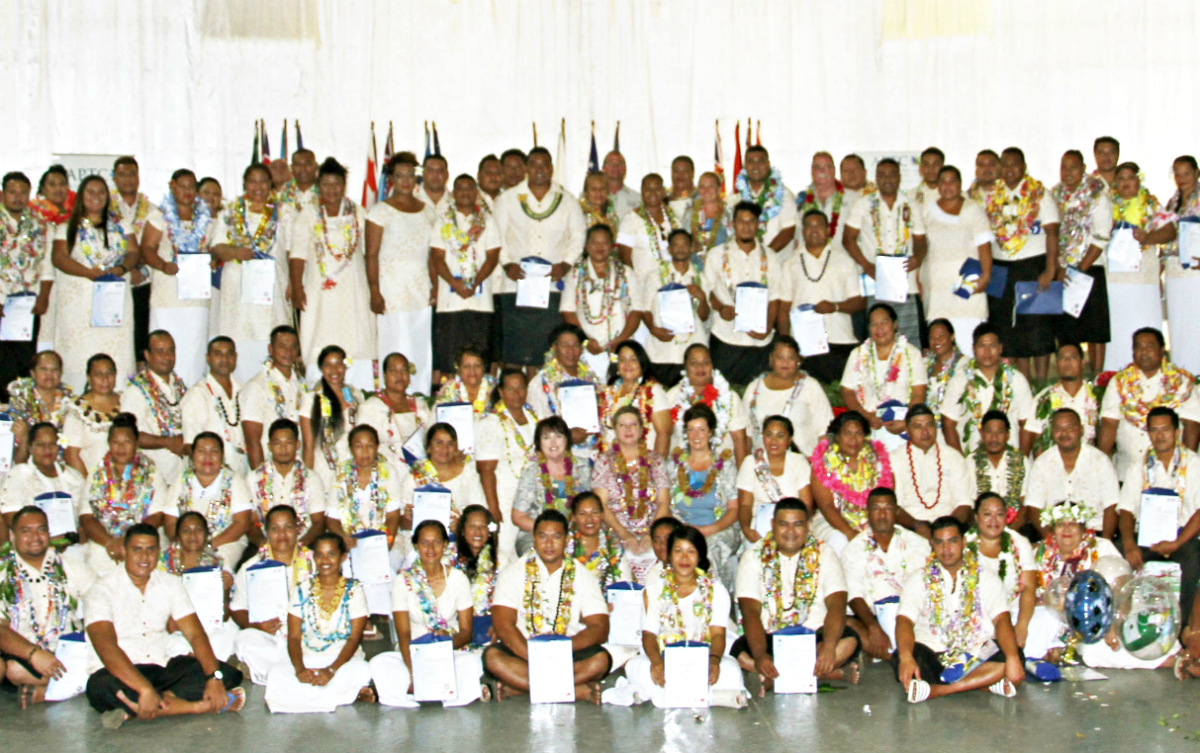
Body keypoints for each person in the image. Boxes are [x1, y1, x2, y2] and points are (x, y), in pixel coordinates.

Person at [84, 523, 244, 729]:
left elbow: (195, 634)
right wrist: (144, 690)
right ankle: (194, 707)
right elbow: (107, 648)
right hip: (119, 673)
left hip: (160, 668)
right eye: (137, 549)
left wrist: (214, 678)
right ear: (124, 551)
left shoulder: (170, 583)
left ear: (158, 552)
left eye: (150, 550)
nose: (144, 557)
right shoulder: (101, 590)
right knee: (100, 688)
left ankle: (138, 709)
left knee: (227, 674)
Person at [484, 509, 611, 704]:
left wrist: (562, 650)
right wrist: (532, 655)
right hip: (523, 651)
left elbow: (600, 627)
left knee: (601, 661)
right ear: (533, 538)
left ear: (567, 540)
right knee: (492, 657)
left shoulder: (582, 574)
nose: (549, 544)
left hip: (568, 651)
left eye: (556, 537)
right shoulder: (513, 572)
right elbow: (503, 624)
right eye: (542, 536)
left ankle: (520, 688)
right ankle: (574, 691)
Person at [733, 499, 860, 694]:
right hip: (772, 636)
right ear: (773, 524)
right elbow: (750, 612)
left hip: (814, 637)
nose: (790, 532)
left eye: (798, 524)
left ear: (808, 525)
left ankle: (778, 679)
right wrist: (760, 655)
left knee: (849, 641)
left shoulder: (824, 553)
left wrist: (828, 647)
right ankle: (825, 674)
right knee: (740, 652)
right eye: (783, 524)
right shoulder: (753, 556)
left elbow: (837, 605)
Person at [892, 516, 1023, 703]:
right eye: (940, 542)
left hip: (976, 653)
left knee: (1015, 655)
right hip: (933, 653)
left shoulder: (986, 577)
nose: (946, 549)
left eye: (952, 541)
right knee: (902, 657)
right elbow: (904, 620)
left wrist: (1011, 657)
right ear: (932, 545)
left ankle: (938, 690)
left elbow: (1002, 620)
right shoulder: (918, 578)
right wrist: (906, 658)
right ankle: (986, 683)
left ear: (963, 542)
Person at [618, 526, 748, 708]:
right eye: (678, 551)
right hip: (665, 658)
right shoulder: (656, 589)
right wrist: (657, 663)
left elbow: (718, 634)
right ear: (669, 556)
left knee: (730, 670)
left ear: (700, 556)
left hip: (703, 658)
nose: (684, 558)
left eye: (691, 552)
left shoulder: (716, 590)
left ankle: (666, 696)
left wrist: (715, 661)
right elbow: (649, 634)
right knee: (636, 666)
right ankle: (712, 698)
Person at [369, 520, 482, 707]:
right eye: (424, 542)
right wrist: (412, 671)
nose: (430, 548)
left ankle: (425, 692)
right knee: (379, 664)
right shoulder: (402, 581)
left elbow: (466, 632)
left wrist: (447, 642)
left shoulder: (458, 578)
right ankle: (434, 691)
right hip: (412, 655)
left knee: (470, 664)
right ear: (416, 546)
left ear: (445, 545)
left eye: (436, 542)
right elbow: (403, 633)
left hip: (449, 653)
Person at [493, 147, 587, 370]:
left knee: (543, 356)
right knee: (514, 357)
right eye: (534, 164)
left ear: (552, 168)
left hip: (552, 288)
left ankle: (540, 403)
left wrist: (565, 264)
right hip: (514, 286)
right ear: (526, 168)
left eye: (544, 164)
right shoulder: (507, 200)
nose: (539, 169)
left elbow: (579, 236)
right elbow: (495, 237)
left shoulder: (567, 201)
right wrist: (506, 263)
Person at [289, 158, 376, 391]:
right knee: (318, 334)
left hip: (353, 291)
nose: (331, 189)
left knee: (356, 340)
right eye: (326, 184)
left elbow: (370, 252)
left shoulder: (358, 212)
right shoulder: (308, 215)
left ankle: (360, 395)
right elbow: (297, 255)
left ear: (344, 186)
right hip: (319, 294)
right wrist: (297, 287)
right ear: (319, 186)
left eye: (336, 184)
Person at [263, 532, 374, 713]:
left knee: (361, 669)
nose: (325, 560)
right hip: (308, 658)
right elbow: (293, 636)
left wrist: (331, 671)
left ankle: (307, 699)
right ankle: (344, 695)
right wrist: (300, 669)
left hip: (342, 661)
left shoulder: (354, 590)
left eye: (331, 554)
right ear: (313, 557)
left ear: (343, 557)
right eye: (320, 555)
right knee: (276, 675)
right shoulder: (301, 590)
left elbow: (354, 639)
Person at [0, 505, 96, 705]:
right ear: (12, 536)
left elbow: (102, 605)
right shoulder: (3, 573)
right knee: (12, 670)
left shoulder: (71, 566)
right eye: (26, 531)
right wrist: (34, 654)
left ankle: (46, 691)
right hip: (23, 655)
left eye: (41, 529)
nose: (35, 536)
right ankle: (68, 686)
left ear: (49, 533)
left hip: (66, 652)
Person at [979, 147, 1061, 381]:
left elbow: (1053, 233)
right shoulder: (991, 197)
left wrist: (1050, 269)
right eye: (1005, 164)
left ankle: (1042, 382)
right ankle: (1021, 383)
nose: (1010, 169)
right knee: (1006, 328)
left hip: (1034, 266)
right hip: (999, 267)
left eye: (1015, 164)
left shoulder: (1039, 193)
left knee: (1038, 327)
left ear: (1023, 166)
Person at [51, 174, 138, 392]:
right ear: (81, 196)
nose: (96, 196)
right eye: (90, 191)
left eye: (101, 191)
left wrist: (120, 269)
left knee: (116, 352)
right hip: (79, 308)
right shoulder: (67, 227)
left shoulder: (121, 226)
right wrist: (88, 273)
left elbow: (134, 252)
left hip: (113, 303)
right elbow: (59, 258)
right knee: (78, 356)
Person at [1117, 407, 1200, 623]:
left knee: (1192, 560)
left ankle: (1181, 631)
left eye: (1165, 429)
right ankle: (1124, 625)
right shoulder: (1140, 466)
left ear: (1177, 432)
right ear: (1148, 433)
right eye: (1154, 430)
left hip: (1184, 539)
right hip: (1147, 539)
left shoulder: (1194, 464)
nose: (1160, 435)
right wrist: (1128, 543)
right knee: (1116, 555)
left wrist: (1176, 543)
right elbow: (1125, 510)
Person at [366, 151, 438, 392]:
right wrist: (375, 291)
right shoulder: (379, 211)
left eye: (410, 175)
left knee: (419, 349)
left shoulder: (428, 211)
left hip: (419, 290)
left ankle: (420, 399)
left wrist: (435, 285)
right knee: (394, 347)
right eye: (399, 176)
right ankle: (393, 400)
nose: (406, 180)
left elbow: (431, 255)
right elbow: (372, 254)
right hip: (390, 291)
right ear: (391, 180)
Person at [209, 163, 288, 382]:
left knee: (271, 341)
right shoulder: (230, 211)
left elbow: (293, 251)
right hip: (238, 292)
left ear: (270, 183)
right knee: (240, 340)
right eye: (252, 181)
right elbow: (216, 247)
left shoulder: (283, 211)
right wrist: (235, 252)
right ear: (244, 183)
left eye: (263, 180)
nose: (257, 186)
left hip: (273, 290)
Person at [138, 169, 214, 385]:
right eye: (182, 186)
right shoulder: (159, 216)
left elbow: (212, 250)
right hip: (167, 296)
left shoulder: (205, 218)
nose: (187, 191)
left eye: (192, 186)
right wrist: (162, 265)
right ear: (172, 186)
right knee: (164, 351)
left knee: (194, 352)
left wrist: (212, 259)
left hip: (196, 297)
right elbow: (147, 249)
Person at [843, 158, 929, 346]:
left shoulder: (911, 204)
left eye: (892, 174)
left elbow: (921, 241)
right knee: (877, 339)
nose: (887, 179)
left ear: (899, 178)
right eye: (882, 175)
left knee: (908, 341)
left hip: (906, 284)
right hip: (875, 282)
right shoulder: (863, 204)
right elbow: (847, 239)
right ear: (876, 178)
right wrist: (866, 266)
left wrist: (918, 257)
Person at [841, 488, 931, 661]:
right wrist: (873, 626)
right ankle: (902, 656)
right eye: (876, 508)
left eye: (888, 508)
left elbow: (925, 588)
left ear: (897, 512)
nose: (882, 514)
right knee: (846, 623)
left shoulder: (918, 544)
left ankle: (889, 654)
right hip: (870, 618)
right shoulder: (854, 548)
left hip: (910, 618)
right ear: (868, 513)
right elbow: (854, 594)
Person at [1098, 327, 1200, 480]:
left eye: (1149, 346)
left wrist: (1184, 468)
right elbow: (1109, 425)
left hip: (1170, 472)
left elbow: (1192, 425)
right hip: (1127, 471)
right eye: (1138, 346)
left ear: (1162, 350)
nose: (1143, 352)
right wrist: (1100, 466)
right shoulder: (1119, 382)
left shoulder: (1181, 381)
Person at [776, 209, 864, 384]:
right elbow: (784, 309)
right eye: (809, 226)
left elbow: (860, 302)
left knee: (840, 399)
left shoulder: (844, 261)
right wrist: (787, 345)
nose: (814, 230)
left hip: (839, 340)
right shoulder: (790, 263)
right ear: (802, 232)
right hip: (804, 346)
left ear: (828, 230)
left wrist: (835, 307)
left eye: (819, 225)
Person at [231, 504, 315, 684]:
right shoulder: (251, 567)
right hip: (271, 638)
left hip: (308, 637)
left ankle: (280, 673)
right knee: (245, 639)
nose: (282, 535)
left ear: (298, 529)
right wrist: (257, 625)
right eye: (275, 529)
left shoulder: (314, 562)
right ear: (266, 532)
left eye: (288, 527)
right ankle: (290, 673)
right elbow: (237, 609)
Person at [703, 201, 785, 385]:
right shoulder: (716, 255)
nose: (746, 226)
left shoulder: (771, 256)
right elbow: (707, 291)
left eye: (751, 221)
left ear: (758, 225)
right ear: (732, 225)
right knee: (722, 393)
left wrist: (768, 326)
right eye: (741, 221)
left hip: (759, 342)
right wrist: (721, 307)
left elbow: (775, 297)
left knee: (757, 394)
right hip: (725, 337)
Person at [429, 174, 501, 380]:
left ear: (476, 193)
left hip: (480, 301)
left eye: (469, 188)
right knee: (450, 361)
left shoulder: (488, 221)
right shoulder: (443, 221)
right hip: (450, 302)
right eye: (460, 188)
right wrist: (455, 283)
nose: (465, 192)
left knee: (480, 360)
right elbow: (437, 257)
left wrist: (474, 283)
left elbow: (493, 256)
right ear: (453, 193)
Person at [77, 414, 167, 575]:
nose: (121, 447)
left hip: (140, 546)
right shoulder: (96, 474)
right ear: (109, 444)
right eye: (115, 442)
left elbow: (158, 516)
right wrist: (111, 542)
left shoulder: (152, 473)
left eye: (126, 442)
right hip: (105, 544)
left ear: (136, 443)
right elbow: (86, 517)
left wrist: (129, 543)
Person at [1103, 162, 1171, 371]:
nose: (1125, 183)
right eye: (1120, 178)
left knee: (1144, 327)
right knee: (1117, 332)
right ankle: (1113, 378)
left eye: (1130, 178)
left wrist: (1149, 237)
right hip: (1114, 280)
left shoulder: (1150, 204)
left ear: (1138, 180)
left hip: (1143, 280)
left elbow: (1170, 231)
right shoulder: (1105, 203)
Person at [1050, 150, 1112, 372]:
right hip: (1062, 272)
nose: (1067, 172)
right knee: (1066, 331)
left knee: (1095, 331)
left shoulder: (1097, 195)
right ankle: (1069, 377)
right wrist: (1057, 268)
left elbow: (1102, 235)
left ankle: (1097, 379)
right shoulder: (1053, 196)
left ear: (1083, 168)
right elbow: (1051, 235)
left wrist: (1079, 271)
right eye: (1063, 166)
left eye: (1073, 166)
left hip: (1090, 268)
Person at [668, 404, 740, 587]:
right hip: (681, 529)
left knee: (707, 554)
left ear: (710, 433)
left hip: (717, 531)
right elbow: (664, 504)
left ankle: (709, 604)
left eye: (701, 429)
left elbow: (734, 509)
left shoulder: (726, 466)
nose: (696, 435)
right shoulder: (673, 465)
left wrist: (710, 529)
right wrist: (683, 529)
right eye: (691, 430)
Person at [592, 406, 670, 573]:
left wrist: (652, 534)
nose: (628, 430)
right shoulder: (604, 461)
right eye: (622, 425)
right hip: (615, 530)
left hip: (652, 529)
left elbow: (663, 502)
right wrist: (625, 534)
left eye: (633, 425)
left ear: (641, 430)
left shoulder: (655, 460)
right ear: (615, 430)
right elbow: (601, 505)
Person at [840, 303, 928, 451]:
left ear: (895, 324)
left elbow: (919, 393)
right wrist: (866, 416)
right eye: (874, 324)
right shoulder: (858, 354)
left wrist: (906, 422)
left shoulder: (911, 354)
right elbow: (847, 391)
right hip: (867, 428)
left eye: (884, 322)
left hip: (900, 428)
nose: (879, 328)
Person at [919, 165, 993, 339]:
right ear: (937, 185)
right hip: (937, 286)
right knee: (940, 338)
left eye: (953, 180)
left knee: (969, 337)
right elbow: (920, 245)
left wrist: (986, 276)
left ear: (960, 184)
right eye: (943, 181)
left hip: (967, 284)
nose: (948, 185)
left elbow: (984, 246)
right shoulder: (926, 209)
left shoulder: (973, 209)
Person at [477, 369, 544, 560]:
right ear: (501, 391)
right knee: (504, 553)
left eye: (521, 388)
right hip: (504, 499)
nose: (517, 394)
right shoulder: (490, 423)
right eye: (511, 389)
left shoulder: (534, 418)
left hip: (531, 499)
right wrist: (493, 509)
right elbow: (486, 470)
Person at [1024, 408, 1119, 539]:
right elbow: (1034, 508)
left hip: (1093, 533)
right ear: (1052, 432)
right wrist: (1052, 540)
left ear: (1081, 430)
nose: (1064, 433)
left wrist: (1105, 543)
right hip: (1053, 534)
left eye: (1070, 428)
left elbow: (1111, 506)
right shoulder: (1042, 463)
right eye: (1058, 428)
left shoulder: (1100, 461)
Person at [940, 323, 1034, 454]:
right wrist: (961, 462)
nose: (987, 351)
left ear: (1000, 348)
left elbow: (1027, 423)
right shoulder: (960, 380)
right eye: (982, 345)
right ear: (973, 349)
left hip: (1009, 460)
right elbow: (948, 423)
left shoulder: (1017, 379)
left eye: (992, 345)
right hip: (971, 459)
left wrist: (1020, 461)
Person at [0, 171, 54, 400]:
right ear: (2, 194)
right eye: (12, 192)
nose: (18, 197)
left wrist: (44, 297)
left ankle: (22, 411)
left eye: (23, 192)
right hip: (1, 303)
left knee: (24, 361)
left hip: (27, 305)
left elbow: (48, 265)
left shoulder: (41, 224)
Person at [561, 224, 640, 378]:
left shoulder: (626, 273)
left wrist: (621, 340)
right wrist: (585, 340)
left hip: (622, 348)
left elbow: (637, 310)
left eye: (604, 242)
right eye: (594, 242)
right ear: (586, 246)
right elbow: (567, 311)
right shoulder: (575, 275)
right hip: (589, 348)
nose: (599, 247)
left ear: (612, 246)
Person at [157, 512, 238, 662]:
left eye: (198, 529)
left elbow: (224, 616)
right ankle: (202, 664)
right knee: (172, 642)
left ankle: (202, 664)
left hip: (207, 626)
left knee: (230, 632)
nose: (192, 535)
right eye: (186, 530)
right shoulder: (162, 563)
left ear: (207, 534)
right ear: (178, 536)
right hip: (175, 627)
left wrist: (226, 591)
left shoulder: (218, 564)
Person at [810, 411, 894, 552]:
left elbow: (887, 497)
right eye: (847, 433)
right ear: (837, 436)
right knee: (840, 540)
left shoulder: (877, 459)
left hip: (871, 519)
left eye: (858, 433)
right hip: (832, 521)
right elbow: (826, 505)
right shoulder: (824, 461)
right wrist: (850, 533)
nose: (853, 439)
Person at [637, 228, 710, 387]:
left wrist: (702, 298)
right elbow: (645, 310)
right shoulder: (655, 276)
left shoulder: (700, 278)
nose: (680, 248)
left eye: (685, 244)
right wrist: (653, 329)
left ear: (691, 248)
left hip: (690, 351)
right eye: (675, 245)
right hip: (661, 351)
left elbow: (704, 317)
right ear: (669, 249)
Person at [511, 416, 593, 556]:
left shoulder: (583, 467)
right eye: (546, 437)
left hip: (575, 532)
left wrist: (569, 530)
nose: (553, 442)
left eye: (558, 436)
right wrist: (549, 531)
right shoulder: (532, 473)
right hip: (537, 535)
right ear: (539, 443)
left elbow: (592, 506)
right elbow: (518, 516)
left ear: (567, 440)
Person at [742, 336, 834, 457]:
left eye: (791, 358)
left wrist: (819, 466)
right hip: (761, 464)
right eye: (780, 357)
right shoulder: (754, 388)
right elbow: (745, 433)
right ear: (771, 359)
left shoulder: (810, 386)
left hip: (804, 461)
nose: (785, 362)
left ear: (798, 361)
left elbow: (825, 430)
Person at [967, 494, 1037, 652]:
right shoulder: (964, 544)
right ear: (976, 517)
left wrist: (1022, 625)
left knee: (1043, 618)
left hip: (1014, 610)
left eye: (999, 514)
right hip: (978, 614)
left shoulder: (1020, 543)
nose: (994, 520)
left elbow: (1028, 588)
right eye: (987, 514)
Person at [397, 423, 486, 548]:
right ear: (428, 447)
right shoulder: (415, 477)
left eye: (450, 444)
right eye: (439, 443)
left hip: (460, 542)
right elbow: (403, 524)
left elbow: (479, 512)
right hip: (423, 547)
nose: (445, 449)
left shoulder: (468, 474)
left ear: (456, 447)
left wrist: (461, 526)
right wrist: (409, 518)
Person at [664, 343, 750, 466]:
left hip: (723, 469)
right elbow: (663, 435)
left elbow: (740, 440)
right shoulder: (672, 397)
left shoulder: (730, 397)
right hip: (680, 469)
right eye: (694, 363)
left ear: (712, 366)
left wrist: (743, 479)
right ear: (686, 368)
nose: (700, 367)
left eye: (705, 362)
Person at [110, 157, 160, 366]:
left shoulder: (152, 210)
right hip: (116, 279)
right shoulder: (107, 208)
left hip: (144, 282)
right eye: (122, 174)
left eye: (132, 174)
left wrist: (139, 266)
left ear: (138, 177)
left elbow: (154, 244)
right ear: (114, 178)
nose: (128, 179)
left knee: (141, 334)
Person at [892, 405, 972, 533]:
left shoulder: (953, 457)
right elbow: (895, 506)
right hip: (910, 529)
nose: (925, 432)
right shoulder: (894, 459)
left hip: (949, 529)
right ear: (907, 430)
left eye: (929, 425)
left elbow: (964, 503)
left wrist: (947, 530)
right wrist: (918, 526)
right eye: (918, 426)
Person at [324, 425, 402, 554]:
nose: (365, 452)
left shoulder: (389, 472)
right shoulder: (340, 474)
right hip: (349, 544)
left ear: (377, 447)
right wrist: (344, 537)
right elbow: (332, 519)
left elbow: (393, 516)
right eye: (359, 446)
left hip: (382, 542)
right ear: (351, 449)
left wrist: (385, 543)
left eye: (370, 446)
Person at [121, 330, 187, 482]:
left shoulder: (179, 386)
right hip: (150, 479)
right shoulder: (136, 391)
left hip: (182, 475)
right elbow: (127, 435)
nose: (167, 356)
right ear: (147, 355)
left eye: (171, 350)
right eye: (160, 351)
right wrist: (168, 442)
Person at [248, 418, 325, 548]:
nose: (283, 449)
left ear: (297, 445)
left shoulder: (311, 478)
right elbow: (251, 521)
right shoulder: (254, 478)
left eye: (289, 443)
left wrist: (302, 544)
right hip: (266, 543)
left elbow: (318, 522)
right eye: (277, 443)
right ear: (269, 446)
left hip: (303, 542)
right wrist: (263, 544)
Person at [737, 415, 813, 544]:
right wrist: (746, 529)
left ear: (789, 440)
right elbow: (745, 504)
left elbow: (806, 504)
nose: (773, 441)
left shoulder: (799, 462)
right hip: (759, 526)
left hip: (793, 524)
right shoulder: (751, 462)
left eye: (780, 436)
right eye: (769, 435)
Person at [239, 325, 305, 472]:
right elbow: (252, 442)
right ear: (270, 349)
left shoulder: (302, 385)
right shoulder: (256, 386)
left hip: (297, 470)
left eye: (293, 347)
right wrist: (262, 481)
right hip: (268, 472)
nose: (288, 352)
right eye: (282, 346)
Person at [0, 422, 85, 535]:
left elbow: (85, 518)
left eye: (52, 444)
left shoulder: (74, 478)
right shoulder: (20, 474)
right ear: (30, 448)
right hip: (32, 545)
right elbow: (11, 517)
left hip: (71, 545)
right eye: (41, 444)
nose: (47, 449)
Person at [526, 323, 602, 444]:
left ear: (582, 350)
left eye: (575, 345)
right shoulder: (539, 382)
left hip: (592, 447)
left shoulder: (592, 379)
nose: (570, 351)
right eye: (565, 345)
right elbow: (537, 423)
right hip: (556, 449)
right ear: (554, 348)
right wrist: (566, 434)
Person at [301, 345, 366, 486]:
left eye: (338, 364)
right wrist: (307, 482)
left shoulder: (356, 396)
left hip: (353, 469)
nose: (334, 370)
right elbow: (308, 446)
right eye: (328, 365)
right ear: (321, 368)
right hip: (324, 471)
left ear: (345, 366)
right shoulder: (310, 399)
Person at [181, 337, 246, 474]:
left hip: (243, 474)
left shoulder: (245, 391)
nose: (224, 359)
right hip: (209, 476)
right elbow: (189, 446)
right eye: (218, 354)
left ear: (235, 357)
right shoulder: (197, 394)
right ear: (208, 358)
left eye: (229, 354)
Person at [1021, 343, 1099, 457]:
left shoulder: (1096, 396)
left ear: (1083, 362)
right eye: (1062, 358)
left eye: (1073, 357)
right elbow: (1035, 439)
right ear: (1056, 364)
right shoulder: (1044, 398)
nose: (1067, 362)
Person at [358, 351, 432, 470]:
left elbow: (433, 440)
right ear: (385, 375)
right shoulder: (370, 408)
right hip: (385, 473)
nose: (399, 375)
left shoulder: (420, 405)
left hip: (420, 472)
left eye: (404, 370)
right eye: (393, 370)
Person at [598, 340, 671, 456]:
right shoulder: (608, 392)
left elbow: (664, 433)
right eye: (622, 359)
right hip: (611, 463)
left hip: (643, 463)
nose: (627, 365)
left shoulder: (653, 390)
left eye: (633, 359)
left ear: (642, 363)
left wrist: (656, 469)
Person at [1162, 156, 1200, 374]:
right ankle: (1182, 375)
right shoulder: (1172, 202)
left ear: (1196, 173)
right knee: (1179, 327)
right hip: (1174, 272)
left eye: (1186, 173)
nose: (1181, 178)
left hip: (1196, 272)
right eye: (1177, 173)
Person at [728, 146, 797, 259]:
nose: (756, 166)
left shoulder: (783, 194)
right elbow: (730, 230)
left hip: (776, 262)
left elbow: (788, 230)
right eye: (751, 162)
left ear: (768, 164)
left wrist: (764, 255)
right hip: (744, 265)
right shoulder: (735, 196)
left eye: (761, 161)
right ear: (745, 166)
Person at [966, 411, 1031, 531]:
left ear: (1008, 435)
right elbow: (969, 505)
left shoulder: (1022, 461)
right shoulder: (970, 462)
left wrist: (1010, 532)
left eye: (1000, 432)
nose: (994, 438)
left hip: (1016, 527)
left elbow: (1025, 505)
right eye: (989, 431)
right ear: (981, 433)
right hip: (981, 527)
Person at [616, 173, 682, 281]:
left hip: (672, 284)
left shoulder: (674, 219)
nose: (653, 193)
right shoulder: (630, 220)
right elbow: (624, 258)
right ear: (641, 192)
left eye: (657, 188)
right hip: (643, 285)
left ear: (664, 191)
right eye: (648, 189)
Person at [63, 353, 122, 475]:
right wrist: (90, 487)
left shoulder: (127, 402)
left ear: (115, 375)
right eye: (98, 374)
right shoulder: (77, 410)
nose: (105, 379)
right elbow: (71, 455)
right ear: (89, 378)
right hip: (90, 483)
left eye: (109, 373)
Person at [454, 505, 501, 641]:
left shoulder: (501, 560)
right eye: (472, 527)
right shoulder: (447, 558)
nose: (477, 532)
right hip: (456, 622)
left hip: (489, 623)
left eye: (483, 526)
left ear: (490, 530)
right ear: (462, 530)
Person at [568, 491, 631, 590]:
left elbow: (624, 587)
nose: (589, 519)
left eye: (594, 512)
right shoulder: (564, 546)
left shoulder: (614, 548)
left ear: (602, 515)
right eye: (582, 513)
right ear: (574, 517)